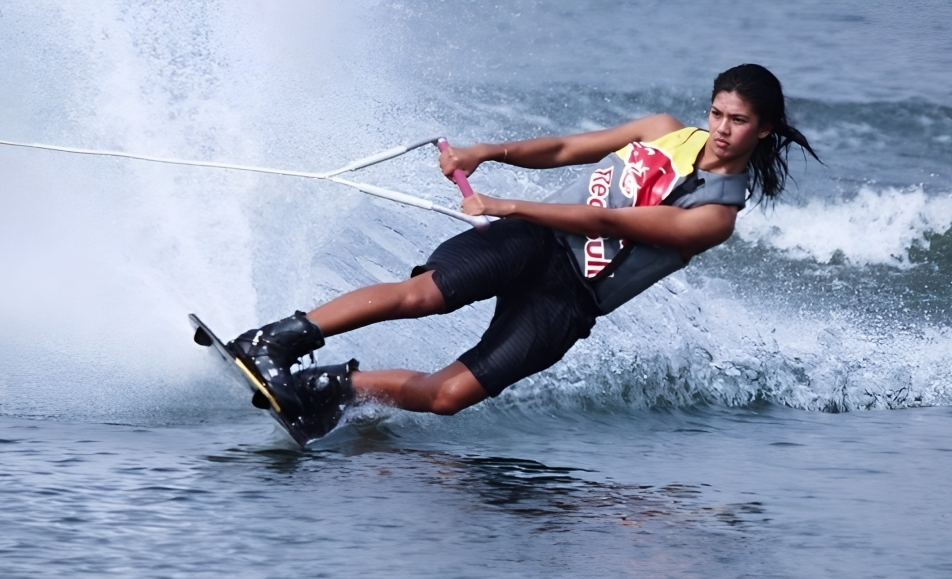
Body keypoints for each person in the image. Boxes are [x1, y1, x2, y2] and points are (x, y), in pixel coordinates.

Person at [228, 63, 820, 440]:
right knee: (424, 295)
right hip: (534, 239)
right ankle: (279, 338)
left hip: (571, 295)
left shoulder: (716, 215)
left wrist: (507, 204)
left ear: (762, 130)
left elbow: (607, 219)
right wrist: (486, 151)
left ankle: (333, 389)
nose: (720, 127)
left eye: (737, 120)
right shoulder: (663, 127)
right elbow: (566, 148)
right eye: (716, 112)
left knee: (449, 397)